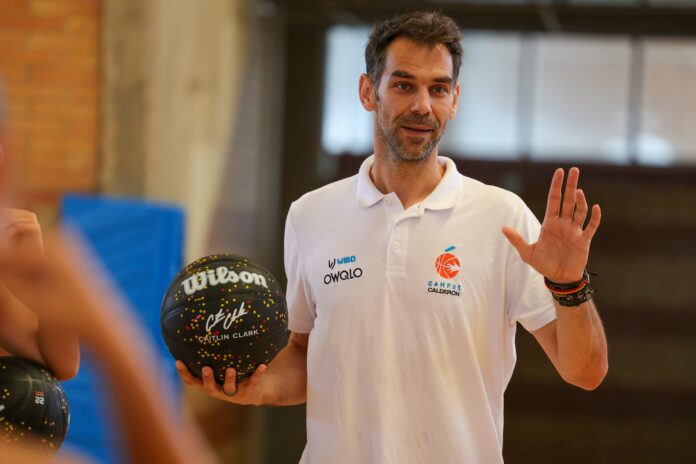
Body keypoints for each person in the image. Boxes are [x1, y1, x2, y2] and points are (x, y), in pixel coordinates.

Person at [177, 10, 608, 463]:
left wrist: (569, 286)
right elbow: (306, 353)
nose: (423, 105)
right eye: (404, 85)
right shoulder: (310, 215)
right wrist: (260, 388)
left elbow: (585, 372)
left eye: (438, 89)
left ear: (454, 100)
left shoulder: (503, 218)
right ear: (369, 91)